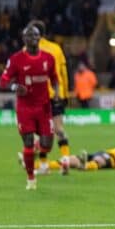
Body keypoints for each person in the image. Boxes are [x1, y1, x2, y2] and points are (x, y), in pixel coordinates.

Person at [0, 25, 59, 190]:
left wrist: (57, 93)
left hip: (44, 107)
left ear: (40, 38)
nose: (32, 37)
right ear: (24, 39)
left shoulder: (48, 58)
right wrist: (14, 87)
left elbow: (54, 78)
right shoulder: (16, 59)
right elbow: (3, 81)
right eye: (29, 35)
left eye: (35, 35)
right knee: (28, 142)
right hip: (25, 108)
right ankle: (31, 179)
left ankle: (30, 154)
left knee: (47, 145)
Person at [27, 20, 71, 175]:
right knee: (59, 129)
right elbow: (63, 73)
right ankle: (65, 160)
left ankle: (44, 165)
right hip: (56, 96)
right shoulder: (56, 48)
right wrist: (64, 94)